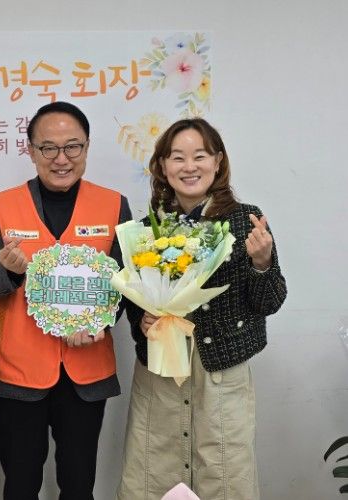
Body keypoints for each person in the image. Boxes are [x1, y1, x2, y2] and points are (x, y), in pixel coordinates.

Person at [116, 118, 287, 500]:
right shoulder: (146, 229)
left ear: (217, 162)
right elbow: (132, 302)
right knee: (153, 475)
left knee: (224, 475)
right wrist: (143, 321)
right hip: (161, 368)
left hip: (220, 373)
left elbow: (269, 301)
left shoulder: (246, 221)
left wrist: (262, 263)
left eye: (200, 156)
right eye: (178, 157)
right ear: (163, 165)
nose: (189, 166)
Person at [0, 101, 133, 500]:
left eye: (72, 147)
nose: (61, 159)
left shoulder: (115, 205)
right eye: (48, 148)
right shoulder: (2, 205)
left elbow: (126, 286)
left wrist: (100, 323)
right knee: (20, 485)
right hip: (18, 371)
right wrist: (10, 270)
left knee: (79, 485)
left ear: (87, 147)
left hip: (86, 371)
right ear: (31, 150)